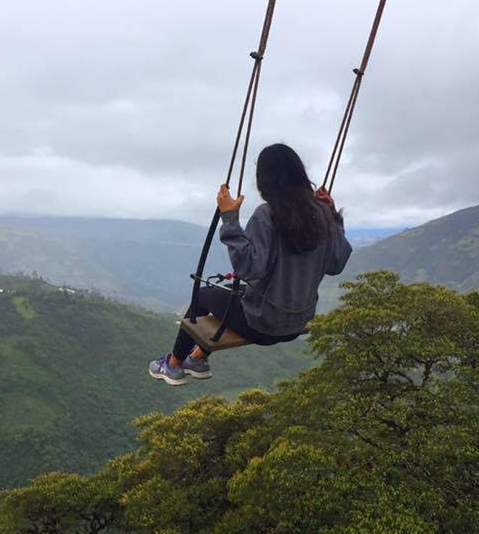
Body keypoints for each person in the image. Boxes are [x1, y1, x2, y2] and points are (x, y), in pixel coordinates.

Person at [149, 143, 352, 386]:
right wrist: (333, 216)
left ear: (266, 180)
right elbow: (336, 264)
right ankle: (197, 359)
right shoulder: (321, 213)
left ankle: (172, 365)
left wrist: (229, 218)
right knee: (235, 295)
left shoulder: (267, 214)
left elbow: (250, 269)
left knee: (203, 296)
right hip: (298, 322)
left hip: (263, 324)